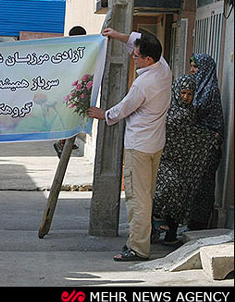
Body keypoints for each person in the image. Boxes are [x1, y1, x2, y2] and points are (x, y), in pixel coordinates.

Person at [87, 28, 172, 261]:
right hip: (154, 143)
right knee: (146, 194)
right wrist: (117, 35)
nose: (133, 58)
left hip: (140, 146)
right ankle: (143, 238)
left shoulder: (144, 83)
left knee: (138, 198)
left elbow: (124, 108)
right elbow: (138, 41)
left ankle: (138, 248)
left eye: (136, 56)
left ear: (148, 59)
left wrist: (104, 114)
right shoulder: (163, 68)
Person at [152, 75, 218, 244]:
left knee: (181, 195)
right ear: (176, 91)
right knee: (166, 188)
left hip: (184, 163)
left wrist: (210, 137)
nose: (186, 97)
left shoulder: (191, 112)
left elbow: (192, 133)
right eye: (183, 92)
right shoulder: (165, 109)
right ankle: (153, 225)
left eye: (190, 94)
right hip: (164, 159)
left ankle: (170, 235)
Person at [186, 54, 224, 230]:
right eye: (192, 66)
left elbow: (195, 113)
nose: (192, 71)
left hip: (208, 147)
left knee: (203, 186)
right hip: (199, 146)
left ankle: (199, 225)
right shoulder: (200, 88)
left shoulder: (209, 91)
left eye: (196, 67)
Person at [53, 25, 87, 158]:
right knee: (69, 116)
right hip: (69, 89)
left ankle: (65, 141)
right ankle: (62, 142)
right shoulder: (70, 49)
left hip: (75, 88)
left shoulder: (80, 48)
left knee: (74, 117)